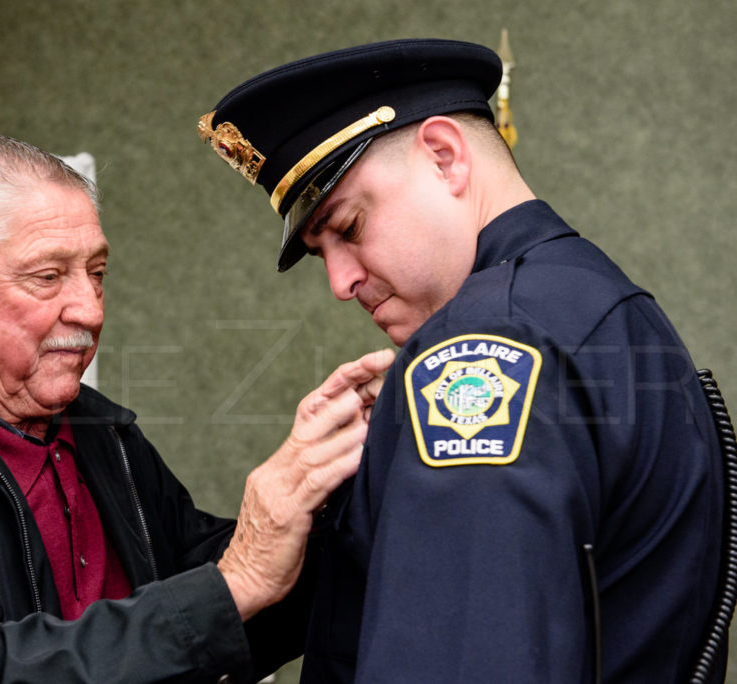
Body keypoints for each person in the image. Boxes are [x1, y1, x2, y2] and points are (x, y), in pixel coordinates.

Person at [0, 133, 395, 683]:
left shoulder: (99, 434)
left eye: (97, 272)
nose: (89, 308)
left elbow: (206, 606)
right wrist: (234, 584)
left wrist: (347, 488)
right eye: (47, 276)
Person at [196, 38, 724, 682]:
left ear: (445, 157)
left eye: (350, 227)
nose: (339, 281)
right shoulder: (600, 303)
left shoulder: (482, 352)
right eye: (319, 251)